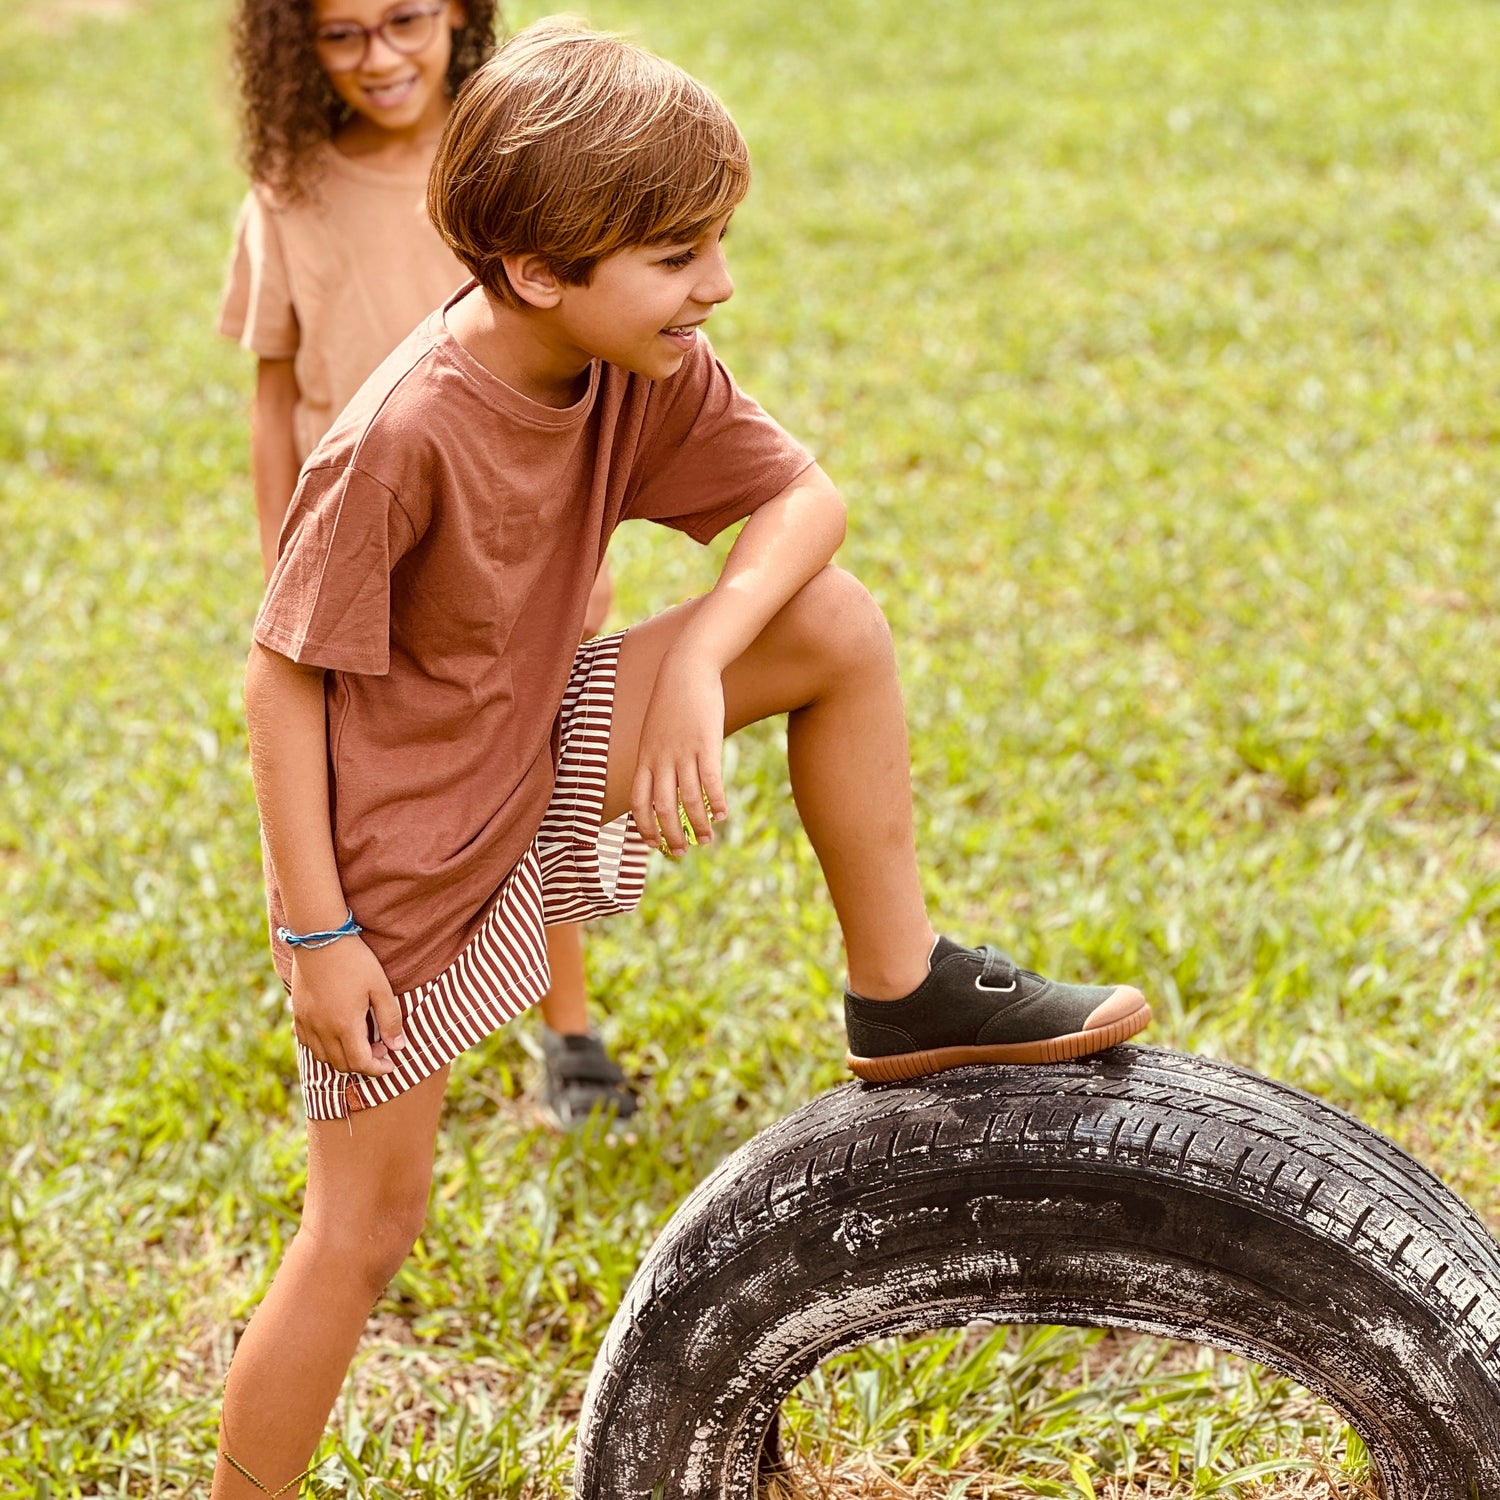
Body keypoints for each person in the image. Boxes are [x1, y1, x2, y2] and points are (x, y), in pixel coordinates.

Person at [216, 19, 1151, 1495]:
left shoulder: (638, 360)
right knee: (364, 1233)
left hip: (538, 738)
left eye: (714, 242)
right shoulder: (400, 434)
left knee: (830, 622)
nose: (715, 284)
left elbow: (807, 502)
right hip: (400, 861)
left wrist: (702, 655)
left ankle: (900, 990)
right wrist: (316, 932)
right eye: (676, 254)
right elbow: (278, 685)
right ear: (538, 270)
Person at [217, 0, 630, 1131]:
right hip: (361, 569)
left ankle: (569, 1029)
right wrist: (278, 574)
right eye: (341, 36)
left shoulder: (511, 160)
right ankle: (378, 1034)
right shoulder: (289, 191)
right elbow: (272, 397)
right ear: (296, 47)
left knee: (539, 792)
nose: (380, 57)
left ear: (461, 15)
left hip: (515, 561)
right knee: (392, 816)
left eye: (406, 20)